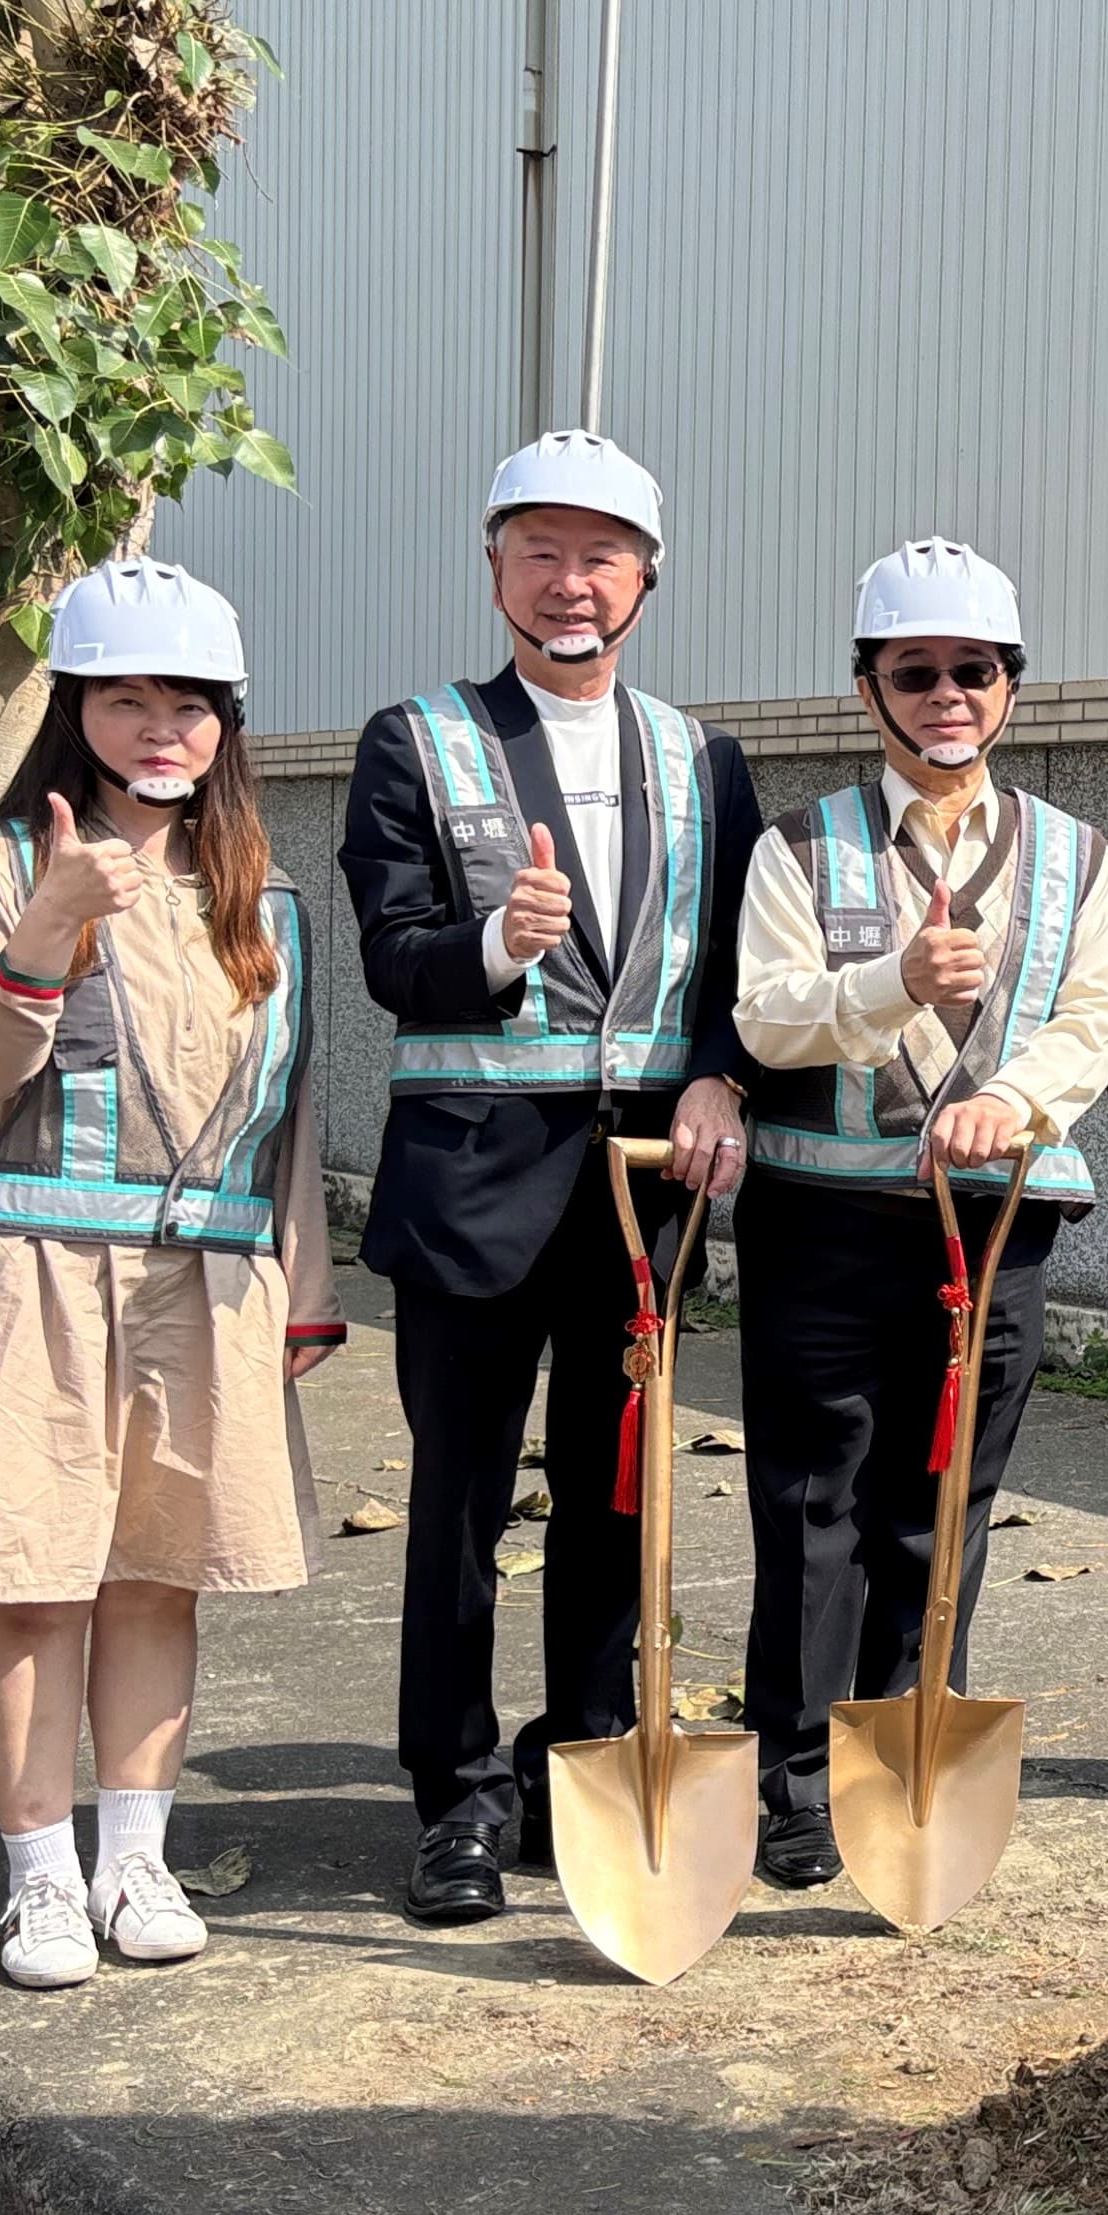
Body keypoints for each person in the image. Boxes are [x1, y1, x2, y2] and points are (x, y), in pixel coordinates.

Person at [0, 565, 341, 1988]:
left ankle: (136, 1858)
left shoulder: (268, 895)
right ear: (78, 713)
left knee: (158, 1579)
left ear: (226, 725)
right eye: (129, 699)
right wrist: (49, 922)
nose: (161, 728)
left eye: (191, 705)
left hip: (206, 1284)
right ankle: (39, 1878)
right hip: (31, 1271)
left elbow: (287, 1113)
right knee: (36, 1579)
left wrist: (298, 1283)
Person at [339, 431, 758, 1926]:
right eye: (541, 552)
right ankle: (453, 1797)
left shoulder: (704, 759)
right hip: (469, 1193)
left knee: (616, 1493)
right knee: (459, 1504)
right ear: (495, 565)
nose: (570, 583)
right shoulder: (417, 740)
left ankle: (579, 1758)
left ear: (646, 577)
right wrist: (500, 945)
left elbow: (741, 966)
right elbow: (396, 960)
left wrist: (721, 1072)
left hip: (644, 1192)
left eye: (602, 555)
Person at [730, 541, 1108, 1883]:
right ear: (869, 688)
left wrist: (1010, 1101)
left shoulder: (1076, 858)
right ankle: (795, 1781)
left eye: (975, 669)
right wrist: (892, 982)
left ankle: (906, 1765)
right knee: (812, 1501)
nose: (947, 693)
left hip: (998, 1226)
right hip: (829, 1225)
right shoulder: (800, 848)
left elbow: (1097, 1020)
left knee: (943, 1504)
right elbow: (764, 1018)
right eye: (918, 671)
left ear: (1011, 687)